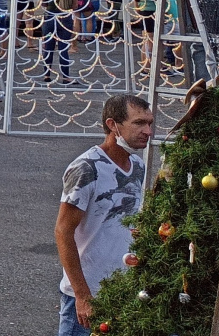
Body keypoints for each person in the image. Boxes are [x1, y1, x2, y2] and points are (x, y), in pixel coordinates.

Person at [55, 94, 154, 336]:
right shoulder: (86, 168)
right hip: (88, 295)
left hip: (124, 291)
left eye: (149, 123)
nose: (148, 131)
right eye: (139, 123)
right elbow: (63, 231)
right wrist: (82, 295)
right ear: (113, 125)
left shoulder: (137, 167)